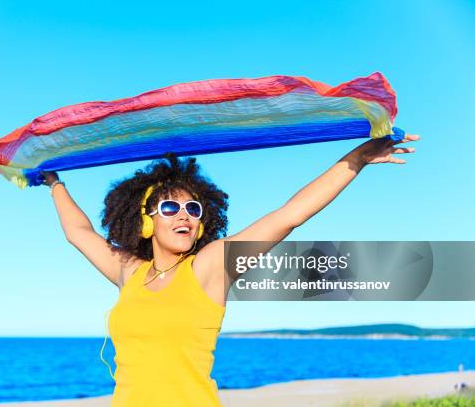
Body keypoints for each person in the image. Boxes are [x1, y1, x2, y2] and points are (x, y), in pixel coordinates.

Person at [41, 133, 419, 406]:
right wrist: (53, 182)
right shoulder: (131, 273)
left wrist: (358, 159)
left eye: (194, 210)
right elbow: (79, 232)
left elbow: (289, 216)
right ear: (146, 221)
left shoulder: (210, 267)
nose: (185, 216)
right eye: (171, 209)